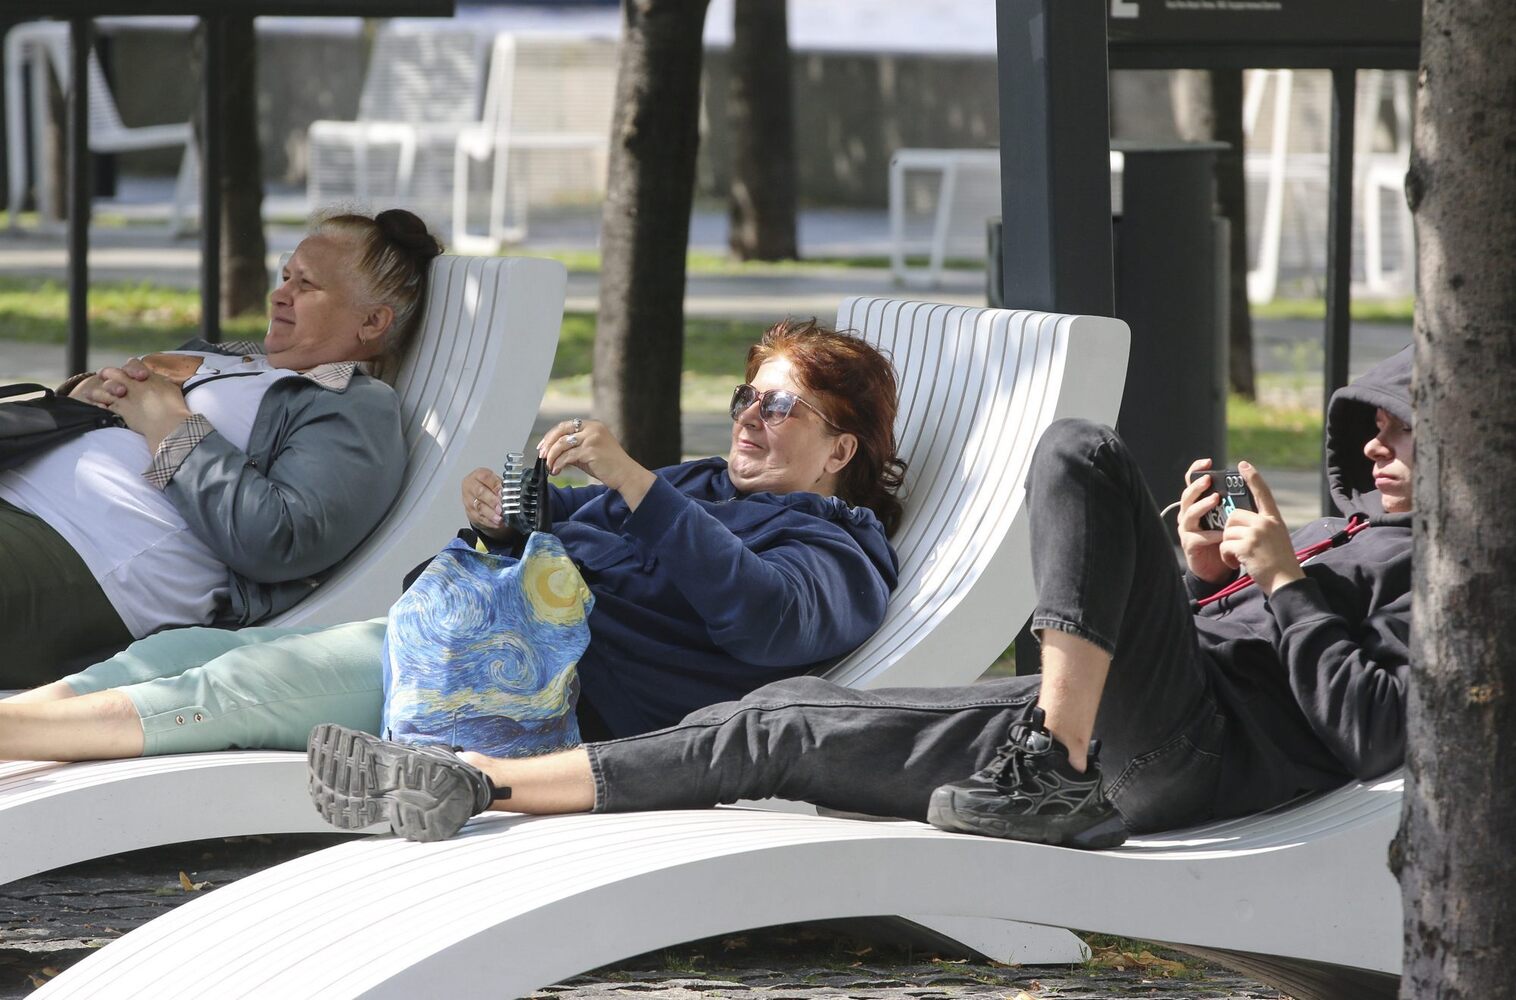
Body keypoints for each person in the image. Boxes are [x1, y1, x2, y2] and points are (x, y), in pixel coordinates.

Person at [304, 346, 1414, 848]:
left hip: (1194, 748)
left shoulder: (1453, 578)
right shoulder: (1349, 533)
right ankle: (473, 784)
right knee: (776, 720)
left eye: (1404, 431)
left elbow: (1375, 726)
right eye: (1370, 428)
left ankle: (1059, 764)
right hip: (1118, 722)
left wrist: (1284, 581)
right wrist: (1207, 577)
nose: (1374, 446)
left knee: (1078, 450)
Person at [0, 319, 905, 765]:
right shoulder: (704, 486)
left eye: (780, 406)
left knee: (236, 689)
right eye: (749, 396)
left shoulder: (838, 548)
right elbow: (576, 543)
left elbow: (764, 618)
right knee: (187, 652)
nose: (749, 416)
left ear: (841, 450)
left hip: (533, 699)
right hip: (469, 646)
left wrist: (636, 483)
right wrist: (512, 521)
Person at [0, 209, 443, 687]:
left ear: (372, 322)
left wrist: (169, 423)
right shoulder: (236, 358)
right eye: (286, 276)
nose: (280, 294)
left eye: (307, 285)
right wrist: (86, 393)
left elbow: (281, 539)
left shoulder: (354, 405)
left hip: (85, 555)